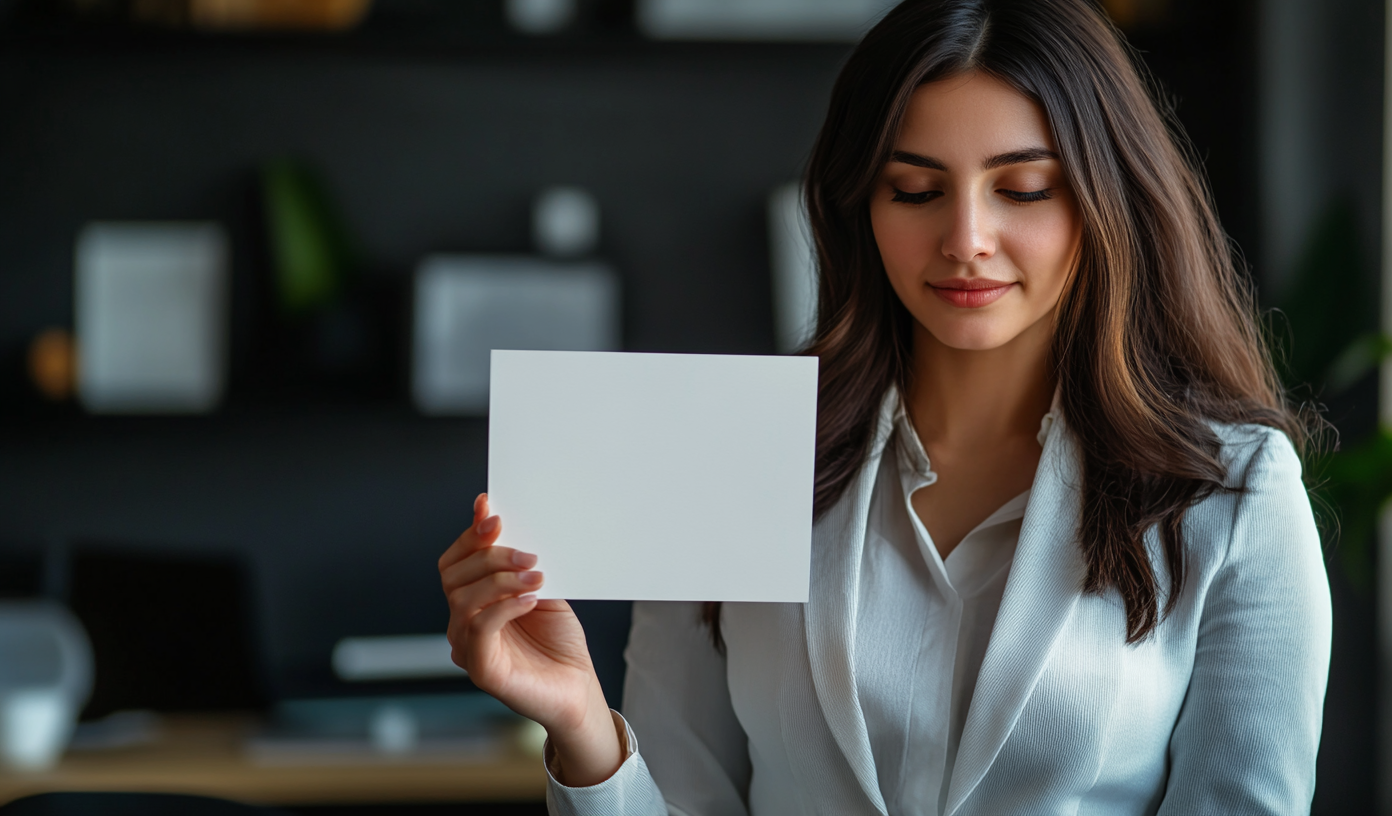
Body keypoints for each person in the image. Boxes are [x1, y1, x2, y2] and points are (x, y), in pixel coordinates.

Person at [437, 0, 1333, 812]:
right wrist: (582, 727)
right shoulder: (732, 455)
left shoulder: (1231, 490)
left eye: (1022, 189)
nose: (967, 240)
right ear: (858, 204)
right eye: (915, 190)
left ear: (1107, 201)